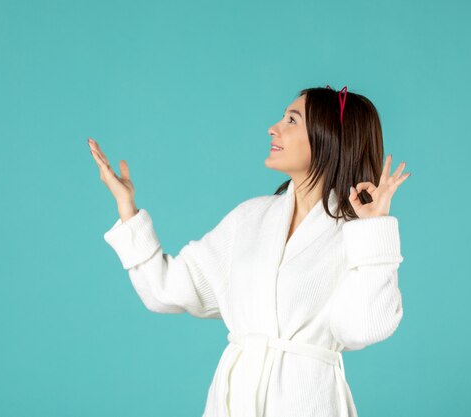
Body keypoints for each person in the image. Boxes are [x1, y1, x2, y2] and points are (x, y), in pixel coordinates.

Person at [88, 86, 411, 417]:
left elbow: (363, 327)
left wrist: (374, 229)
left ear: (328, 136)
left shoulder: (355, 234)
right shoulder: (250, 218)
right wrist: (126, 207)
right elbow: (167, 290)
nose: (274, 127)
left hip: (307, 401)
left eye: (291, 120)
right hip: (232, 401)